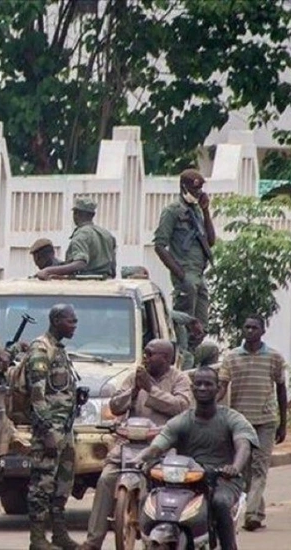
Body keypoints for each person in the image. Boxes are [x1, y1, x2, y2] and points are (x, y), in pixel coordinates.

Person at [80, 339, 192, 550]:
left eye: (151, 354)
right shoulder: (135, 377)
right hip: (130, 444)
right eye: (145, 353)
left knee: (167, 485)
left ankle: (161, 536)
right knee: (106, 479)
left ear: (166, 358)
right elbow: (115, 406)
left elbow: (181, 407)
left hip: (162, 445)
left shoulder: (180, 379)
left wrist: (151, 389)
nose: (146, 358)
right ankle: (93, 541)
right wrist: (133, 391)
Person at [131, 367, 258, 550]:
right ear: (192, 388)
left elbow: (243, 445)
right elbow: (158, 445)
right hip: (187, 478)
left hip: (223, 478)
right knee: (150, 499)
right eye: (198, 384)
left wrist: (234, 467)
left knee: (220, 503)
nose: (203, 388)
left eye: (208, 384)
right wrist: (140, 458)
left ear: (218, 389)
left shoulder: (232, 418)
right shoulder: (182, 420)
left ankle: (228, 546)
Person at [217, 315, 288, 531]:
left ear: (262, 331)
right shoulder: (231, 357)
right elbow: (222, 387)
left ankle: (251, 514)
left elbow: (281, 389)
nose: (250, 331)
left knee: (260, 467)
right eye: (246, 327)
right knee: (244, 471)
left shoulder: (274, 357)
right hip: (240, 422)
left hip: (266, 420)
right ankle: (258, 510)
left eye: (254, 327)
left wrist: (283, 423)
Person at [26, 304, 80, 550]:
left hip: (65, 428)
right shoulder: (41, 349)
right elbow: (36, 395)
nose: (74, 325)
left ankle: (59, 535)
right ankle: (37, 539)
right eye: (71, 321)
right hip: (50, 430)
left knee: (62, 483)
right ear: (57, 320)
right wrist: (47, 431)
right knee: (42, 484)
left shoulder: (59, 349)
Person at [153, 168, 216, 326]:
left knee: (202, 325)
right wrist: (180, 274)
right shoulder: (172, 211)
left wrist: (206, 211)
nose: (198, 193)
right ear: (183, 187)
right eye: (195, 190)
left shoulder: (197, 210)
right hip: (185, 273)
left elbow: (211, 241)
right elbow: (159, 246)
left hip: (199, 274)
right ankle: (182, 349)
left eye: (200, 189)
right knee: (184, 323)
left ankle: (192, 350)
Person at [36, 197, 116, 280]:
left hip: (83, 285)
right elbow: (113, 268)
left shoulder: (81, 235)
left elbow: (80, 263)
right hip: (105, 284)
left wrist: (48, 271)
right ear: (93, 215)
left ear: (76, 214)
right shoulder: (107, 234)